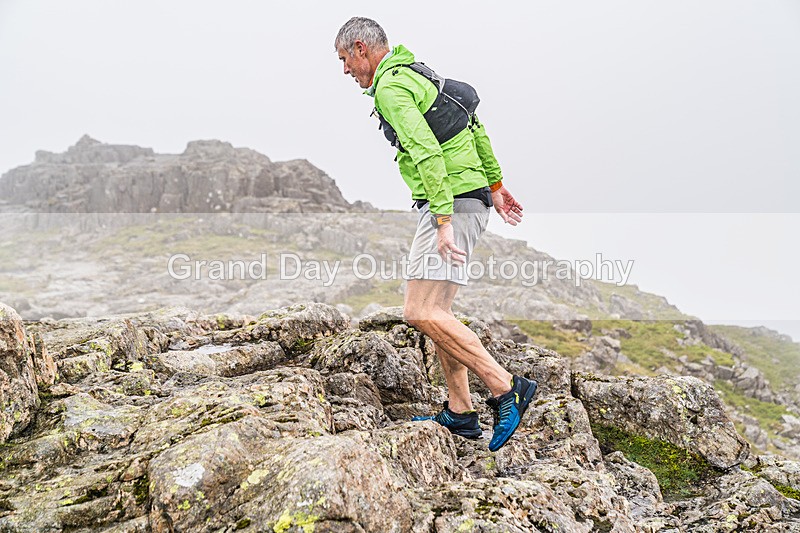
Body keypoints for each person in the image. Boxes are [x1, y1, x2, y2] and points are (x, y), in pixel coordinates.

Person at [335, 17, 537, 452]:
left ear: (359, 48)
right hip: (469, 195)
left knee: (419, 311)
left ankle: (505, 388)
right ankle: (461, 411)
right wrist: (496, 187)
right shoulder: (417, 72)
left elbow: (426, 149)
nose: (345, 71)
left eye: (344, 60)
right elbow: (471, 123)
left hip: (451, 202)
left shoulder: (391, 87)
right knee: (438, 310)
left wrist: (443, 221)